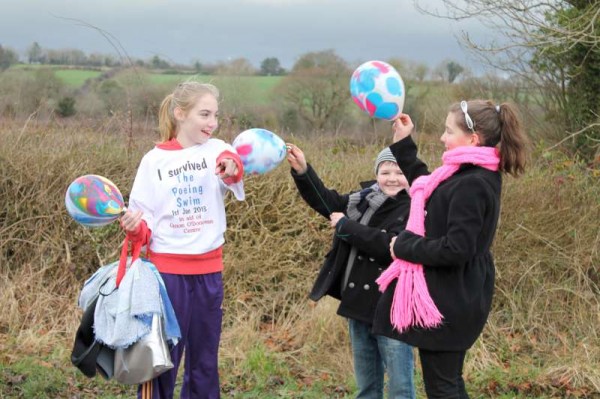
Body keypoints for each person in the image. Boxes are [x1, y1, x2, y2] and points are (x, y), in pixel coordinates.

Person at [372, 100, 529, 399]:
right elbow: (425, 187)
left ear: (473, 138)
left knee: (442, 387)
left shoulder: (473, 183)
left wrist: (404, 246)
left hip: (452, 296)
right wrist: (404, 143)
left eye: (448, 131)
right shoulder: (464, 174)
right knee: (448, 382)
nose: (442, 138)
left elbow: (457, 249)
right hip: (455, 292)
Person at [120, 81, 245, 399]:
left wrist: (231, 168)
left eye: (215, 115)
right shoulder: (153, 161)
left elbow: (234, 167)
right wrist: (134, 228)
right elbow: (143, 225)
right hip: (167, 278)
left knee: (204, 362)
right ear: (180, 113)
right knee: (162, 363)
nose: (212, 123)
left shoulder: (217, 149)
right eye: (204, 114)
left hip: (209, 274)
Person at [287, 143, 416, 399]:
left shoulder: (416, 208)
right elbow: (328, 202)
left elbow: (388, 245)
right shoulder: (364, 200)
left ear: (410, 174)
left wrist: (345, 227)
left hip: (393, 307)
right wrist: (303, 171)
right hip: (358, 305)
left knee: (401, 388)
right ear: (377, 173)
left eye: (399, 172)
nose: (392, 179)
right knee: (367, 387)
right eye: (385, 171)